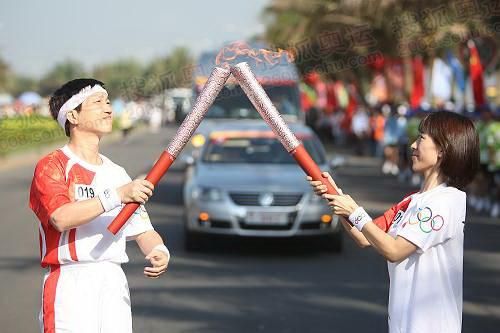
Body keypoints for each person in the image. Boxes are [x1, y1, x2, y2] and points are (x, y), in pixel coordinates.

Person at [308, 111, 479, 333]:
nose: (412, 146)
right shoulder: (411, 202)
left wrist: (354, 210)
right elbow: (364, 236)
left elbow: (394, 250)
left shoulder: (446, 201)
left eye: (421, 138)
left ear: (442, 151)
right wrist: (336, 196)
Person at [29, 79, 170, 333]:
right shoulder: (53, 165)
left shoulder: (117, 173)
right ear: (72, 115)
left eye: (108, 102)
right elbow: (60, 218)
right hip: (71, 283)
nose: (108, 109)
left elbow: (143, 230)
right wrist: (116, 196)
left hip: (114, 282)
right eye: (98, 103)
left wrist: (158, 250)